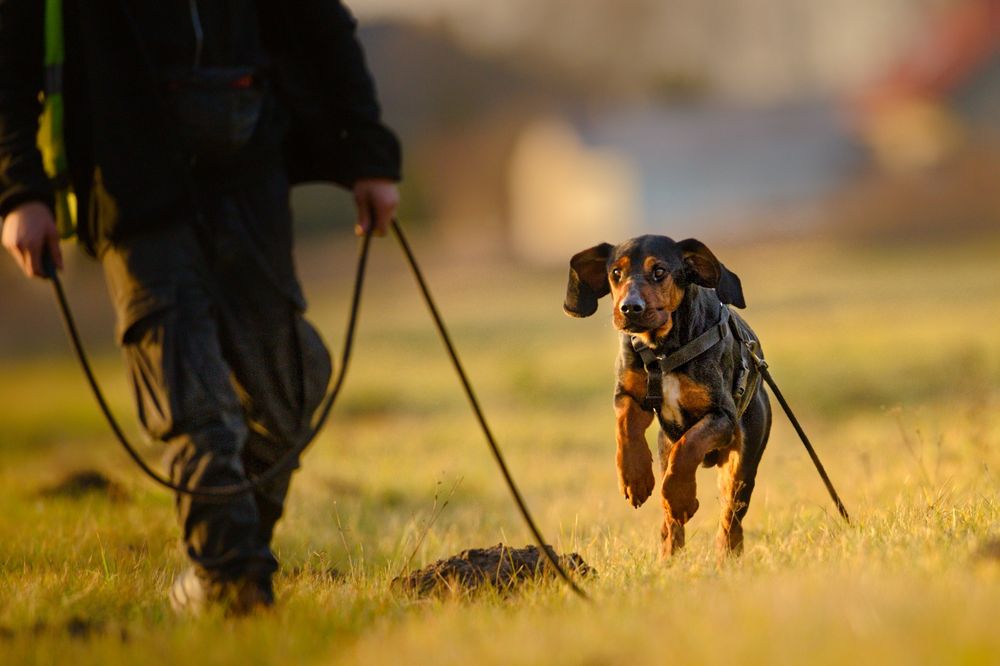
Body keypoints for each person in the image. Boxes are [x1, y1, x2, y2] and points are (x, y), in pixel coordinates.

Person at [0, 0, 401, 615]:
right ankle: (230, 583)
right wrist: (19, 191)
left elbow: (319, 22)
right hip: (128, 179)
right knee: (195, 398)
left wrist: (369, 155)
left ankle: (236, 553)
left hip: (249, 172)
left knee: (289, 386)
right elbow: (12, 52)